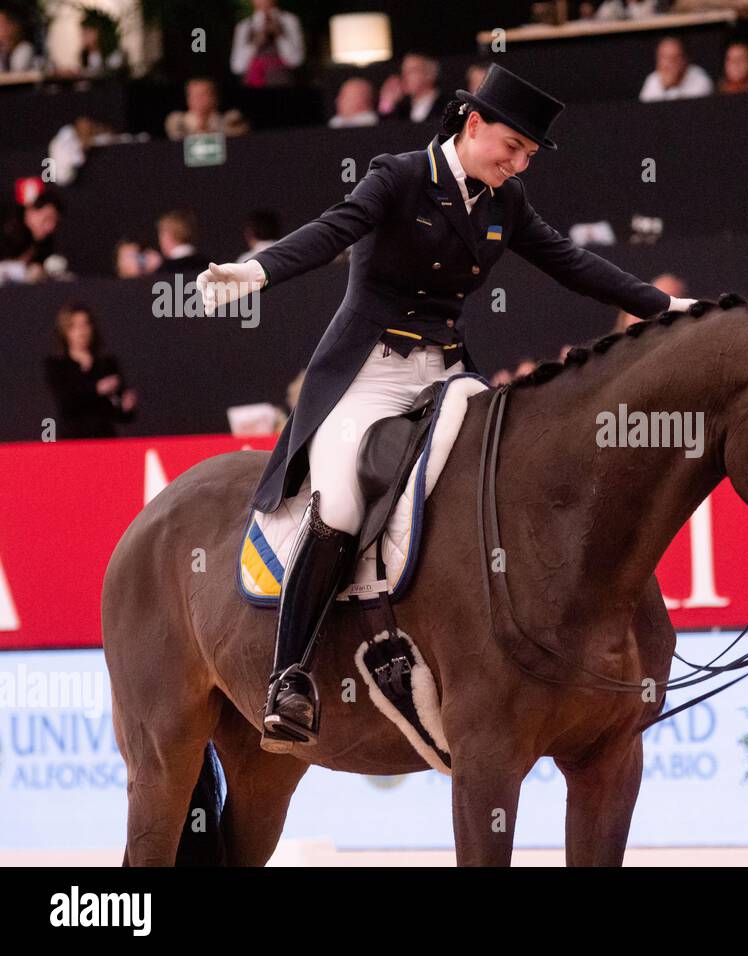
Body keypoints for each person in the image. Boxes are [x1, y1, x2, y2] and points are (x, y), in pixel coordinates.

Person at [197, 64, 697, 751]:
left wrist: (667, 309)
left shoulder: (504, 203)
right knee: (340, 502)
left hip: (446, 376)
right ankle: (290, 675)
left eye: (527, 156)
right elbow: (332, 230)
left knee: (498, 474)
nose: (517, 165)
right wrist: (257, 271)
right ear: (473, 124)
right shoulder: (398, 176)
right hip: (365, 377)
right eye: (511, 148)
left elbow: (573, 264)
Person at [43, 302, 138, 439]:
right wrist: (97, 389)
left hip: (103, 439)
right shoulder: (57, 365)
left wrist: (126, 406)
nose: (82, 331)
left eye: (86, 324)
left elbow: (119, 413)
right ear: (65, 331)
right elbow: (66, 401)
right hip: (72, 440)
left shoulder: (107, 364)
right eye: (74, 326)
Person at [230, 0, 303, 87]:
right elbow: (237, 67)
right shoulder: (244, 26)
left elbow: (296, 61)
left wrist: (279, 35)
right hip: (253, 82)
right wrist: (255, 43)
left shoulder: (289, 21)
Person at [1, 192, 62, 281]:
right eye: (46, 219)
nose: (51, 227)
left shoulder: (44, 244)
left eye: (55, 222)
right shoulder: (7, 231)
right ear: (30, 212)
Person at [164, 78, 250, 140]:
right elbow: (175, 137)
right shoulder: (178, 121)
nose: (199, 100)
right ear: (188, 99)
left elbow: (238, 135)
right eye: (194, 96)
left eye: (203, 95)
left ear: (215, 98)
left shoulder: (230, 120)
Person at [639, 36, 713, 102]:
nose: (670, 63)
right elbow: (644, 112)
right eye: (665, 57)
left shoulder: (700, 79)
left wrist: (670, 87)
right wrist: (665, 88)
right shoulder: (652, 79)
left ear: (685, 59)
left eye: (675, 57)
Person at [381, 53, 449, 124]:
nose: (404, 76)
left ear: (429, 75)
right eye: (403, 71)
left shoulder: (448, 107)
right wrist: (387, 104)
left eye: (412, 71)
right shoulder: (402, 110)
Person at [156, 210, 207, 274]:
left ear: (168, 235)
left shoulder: (164, 270)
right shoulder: (209, 265)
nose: (159, 242)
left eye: (162, 235)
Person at [0, 8, 35, 73]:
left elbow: (17, 73)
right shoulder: (2, 53)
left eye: (3, 25)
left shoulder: (24, 48)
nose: (3, 30)